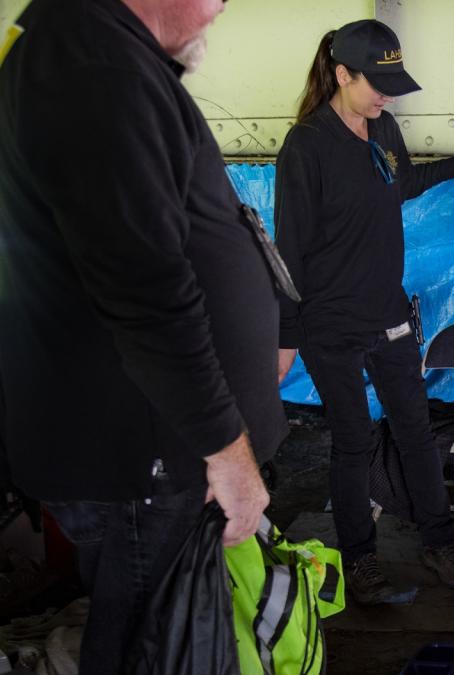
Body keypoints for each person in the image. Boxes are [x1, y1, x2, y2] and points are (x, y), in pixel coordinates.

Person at [0, 1, 289, 672]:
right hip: (143, 457)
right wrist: (228, 450)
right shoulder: (90, 62)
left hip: (145, 448)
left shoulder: (96, 52)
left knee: (157, 630)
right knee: (149, 641)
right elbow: (146, 289)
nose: (221, 7)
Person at [274, 19, 454, 605]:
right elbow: (288, 248)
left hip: (389, 312)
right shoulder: (307, 145)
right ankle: (360, 560)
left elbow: (399, 183)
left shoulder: (383, 127)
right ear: (342, 74)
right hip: (330, 323)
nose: (388, 93)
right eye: (378, 82)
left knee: (415, 430)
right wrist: (286, 334)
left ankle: (438, 541)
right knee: (351, 441)